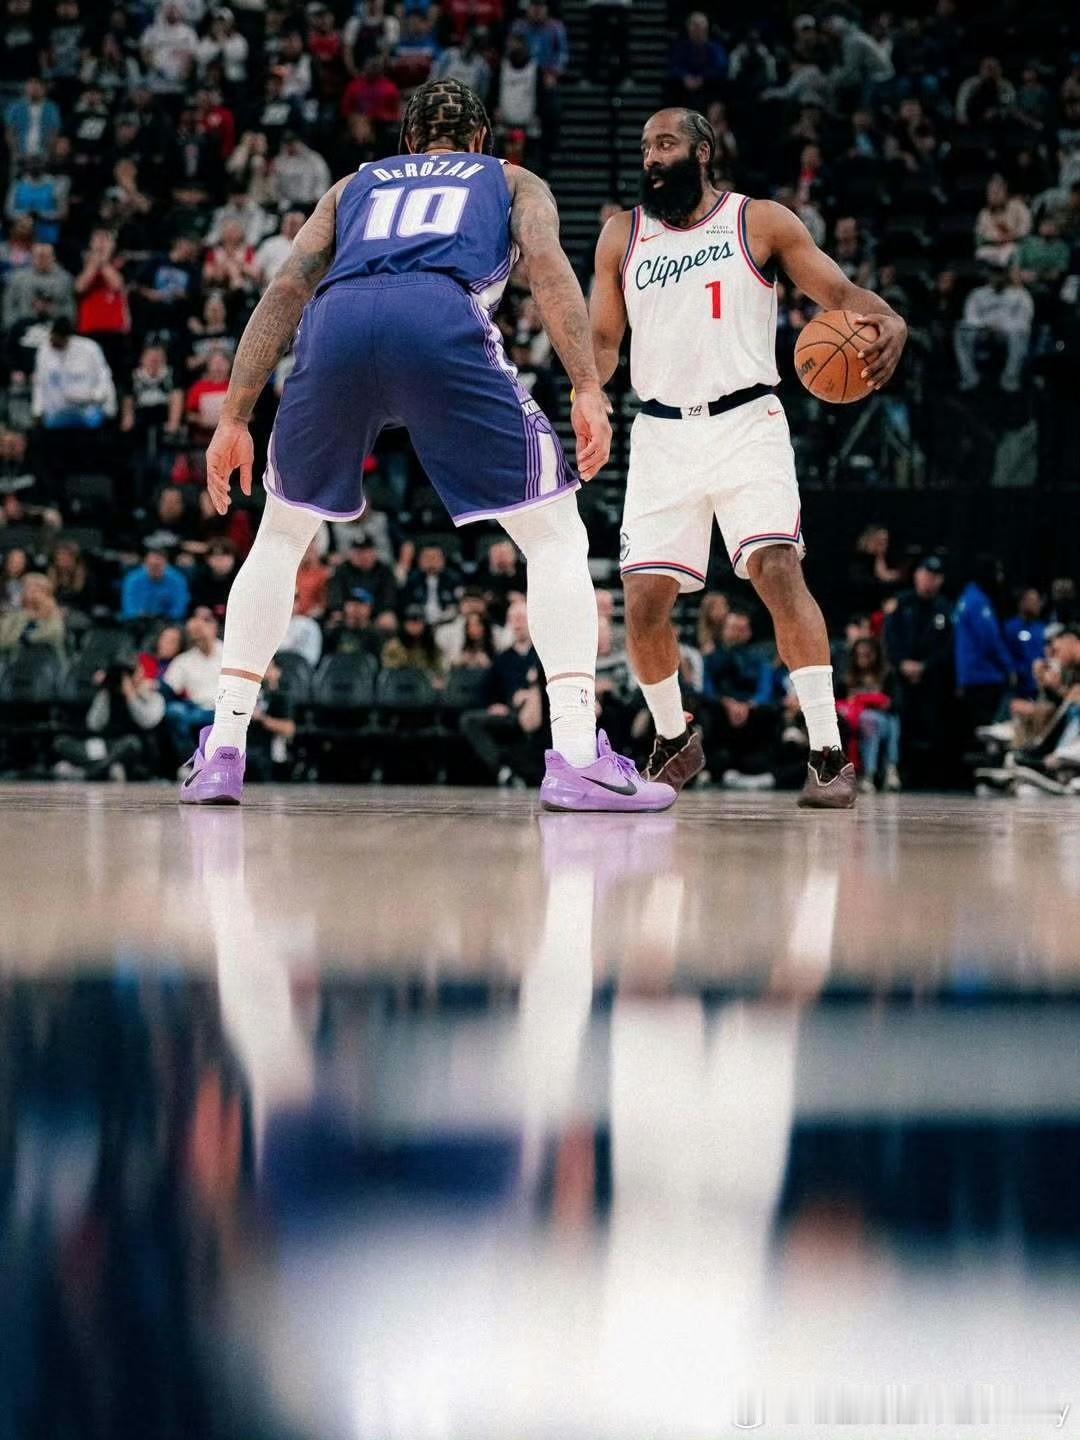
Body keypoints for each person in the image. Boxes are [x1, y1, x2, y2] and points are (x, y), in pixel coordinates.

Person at [186, 77, 672, 812]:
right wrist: (585, 385)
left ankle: (223, 751)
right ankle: (576, 757)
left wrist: (233, 417)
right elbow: (546, 267)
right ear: (480, 140)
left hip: (337, 322)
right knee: (554, 538)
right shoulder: (509, 178)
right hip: (439, 315)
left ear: (408, 142)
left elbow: (286, 287)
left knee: (281, 537)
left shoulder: (354, 185)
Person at [589, 107, 908, 806]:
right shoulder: (622, 233)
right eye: (645, 146)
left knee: (778, 571)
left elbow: (839, 293)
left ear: (703, 151)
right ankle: (673, 738)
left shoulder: (758, 221)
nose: (652, 157)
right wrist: (588, 388)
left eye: (666, 143)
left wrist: (890, 318)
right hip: (661, 433)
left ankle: (828, 752)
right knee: (643, 602)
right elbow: (604, 340)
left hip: (746, 423)